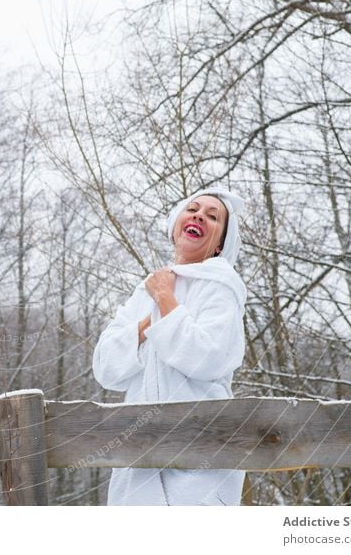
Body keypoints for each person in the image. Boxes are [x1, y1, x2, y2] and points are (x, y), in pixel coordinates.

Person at [92, 187, 247, 505]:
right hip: (137, 457)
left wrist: (165, 301)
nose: (199, 215)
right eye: (193, 209)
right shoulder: (146, 288)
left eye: (213, 216)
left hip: (199, 456)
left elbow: (210, 357)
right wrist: (148, 322)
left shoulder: (221, 287)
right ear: (176, 222)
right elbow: (106, 368)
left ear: (220, 244)